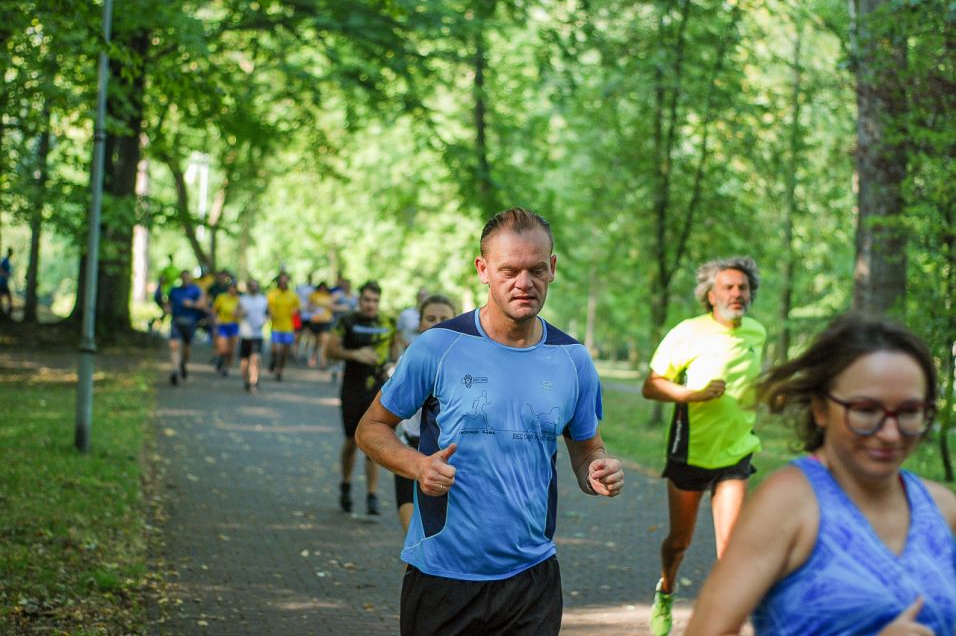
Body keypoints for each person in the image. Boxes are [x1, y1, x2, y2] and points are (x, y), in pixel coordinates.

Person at [355, 208, 624, 636]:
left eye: (536, 269)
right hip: (443, 575)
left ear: (552, 268)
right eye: (509, 270)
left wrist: (597, 469)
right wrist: (418, 466)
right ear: (483, 270)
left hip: (531, 579)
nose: (524, 283)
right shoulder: (438, 347)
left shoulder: (573, 360)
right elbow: (370, 428)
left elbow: (586, 448)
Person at [685, 312, 956, 636]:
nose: (890, 433)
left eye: (910, 412)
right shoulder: (788, 503)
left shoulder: (942, 508)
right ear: (820, 409)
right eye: (866, 410)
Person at [641, 256, 766, 636]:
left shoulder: (757, 334)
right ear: (711, 295)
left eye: (743, 287)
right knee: (680, 541)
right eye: (728, 287)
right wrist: (692, 394)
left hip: (737, 450)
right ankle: (666, 588)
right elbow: (651, 385)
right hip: (690, 449)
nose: (737, 293)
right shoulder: (687, 332)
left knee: (731, 548)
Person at [326, 280, 400, 516]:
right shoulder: (347, 322)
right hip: (352, 388)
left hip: (377, 390)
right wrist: (355, 353)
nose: (371, 305)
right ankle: (346, 484)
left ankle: (372, 495)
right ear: (360, 300)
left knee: (374, 443)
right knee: (350, 441)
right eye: (367, 300)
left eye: (375, 301)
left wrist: (392, 366)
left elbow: (395, 351)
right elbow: (329, 351)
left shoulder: (388, 322)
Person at [392, 294, 457, 534]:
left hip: (449, 457)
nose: (437, 323)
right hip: (410, 450)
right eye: (431, 318)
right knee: (413, 536)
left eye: (444, 318)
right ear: (420, 323)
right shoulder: (407, 362)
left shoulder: (466, 366)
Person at [167, 270, 207, 386]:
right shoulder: (174, 290)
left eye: (187, 277)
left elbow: (203, 305)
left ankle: (183, 364)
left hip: (190, 323)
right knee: (174, 346)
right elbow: (168, 303)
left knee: (187, 349)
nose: (185, 279)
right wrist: (167, 309)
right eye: (183, 277)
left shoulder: (195, 290)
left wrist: (192, 304)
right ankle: (175, 371)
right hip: (176, 321)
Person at [236, 279, 269, 392]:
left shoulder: (263, 300)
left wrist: (265, 321)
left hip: (258, 334)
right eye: (251, 286)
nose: (254, 287)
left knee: (256, 358)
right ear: (248, 287)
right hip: (245, 333)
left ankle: (254, 381)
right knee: (245, 360)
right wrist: (241, 313)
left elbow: (268, 314)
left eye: (256, 285)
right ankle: (246, 381)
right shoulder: (243, 299)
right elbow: (235, 313)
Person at [266, 272, 299, 381]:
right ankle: (274, 360)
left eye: (285, 281)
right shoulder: (272, 294)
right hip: (276, 326)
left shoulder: (292, 295)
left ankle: (279, 371)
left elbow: (298, 309)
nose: (284, 283)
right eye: (282, 281)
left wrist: (296, 312)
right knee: (277, 350)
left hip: (288, 327)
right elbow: (268, 307)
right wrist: (271, 314)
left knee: (285, 352)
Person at [212, 280, 241, 377]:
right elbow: (214, 310)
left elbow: (243, 312)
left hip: (234, 325)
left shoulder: (239, 299)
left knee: (231, 350)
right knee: (223, 348)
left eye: (235, 288)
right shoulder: (221, 297)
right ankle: (220, 359)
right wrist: (216, 319)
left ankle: (227, 367)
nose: (233, 290)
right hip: (223, 324)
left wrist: (238, 314)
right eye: (231, 287)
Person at [306, 281, 335, 369]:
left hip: (326, 321)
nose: (323, 289)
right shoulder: (314, 295)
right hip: (315, 321)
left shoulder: (329, 296)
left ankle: (323, 362)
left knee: (325, 341)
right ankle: (313, 358)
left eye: (324, 288)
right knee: (316, 342)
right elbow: (309, 307)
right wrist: (314, 307)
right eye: (321, 287)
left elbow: (333, 307)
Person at [0, 247, 13, 316]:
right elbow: (0, 268)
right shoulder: (4, 260)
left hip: (4, 283)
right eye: (11, 252)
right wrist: (4, 274)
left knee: (6, 296)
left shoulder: (7, 261)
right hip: (2, 282)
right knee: (6, 296)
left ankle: (8, 310)